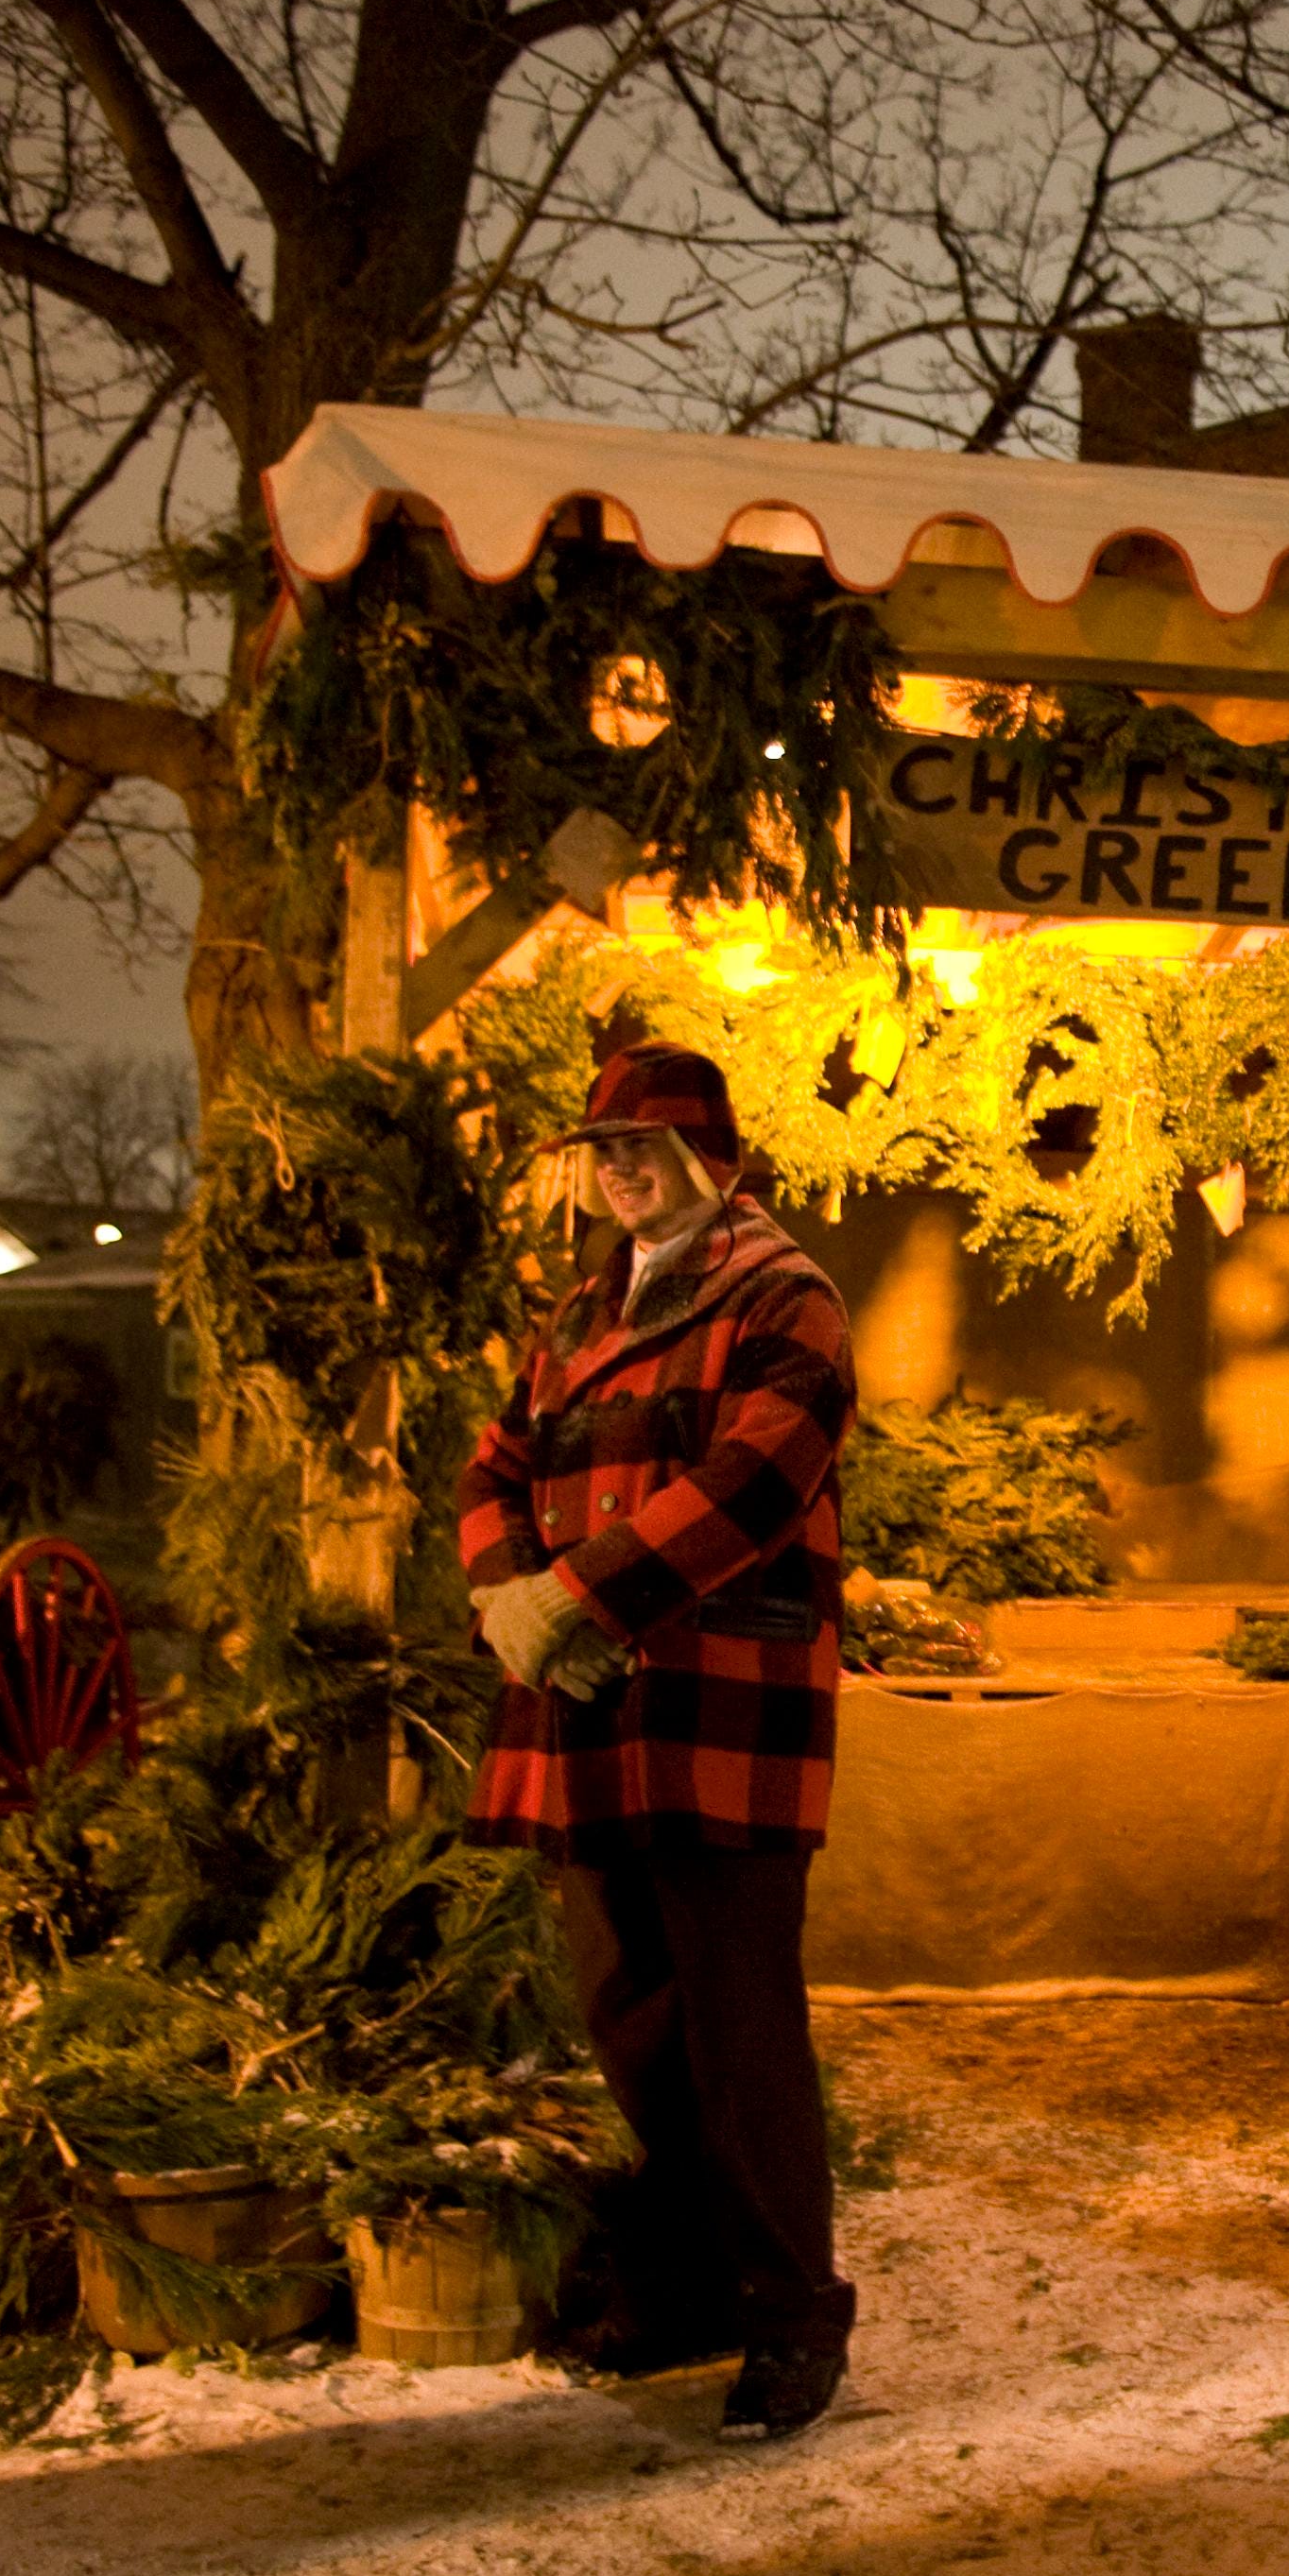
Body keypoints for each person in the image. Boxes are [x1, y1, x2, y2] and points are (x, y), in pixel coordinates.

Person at [458, 1040, 859, 2440]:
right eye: (607, 1155)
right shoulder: (579, 1309)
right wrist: (507, 1592)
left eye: (645, 1153)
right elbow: (496, 1460)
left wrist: (573, 1595)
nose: (622, 1176)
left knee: (739, 2026)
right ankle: (688, 2286)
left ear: (708, 1159)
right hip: (586, 1703)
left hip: (720, 1706)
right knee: (630, 2010)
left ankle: (792, 2316)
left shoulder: (785, 1298)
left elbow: (754, 1481)